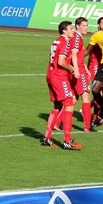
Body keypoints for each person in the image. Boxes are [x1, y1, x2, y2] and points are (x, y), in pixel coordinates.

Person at [41, 21, 82, 150]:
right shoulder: (65, 42)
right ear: (64, 30)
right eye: (71, 28)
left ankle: (47, 137)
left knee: (57, 106)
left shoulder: (56, 41)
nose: (73, 31)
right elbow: (61, 61)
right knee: (69, 104)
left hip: (50, 75)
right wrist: (72, 69)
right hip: (59, 77)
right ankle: (67, 141)